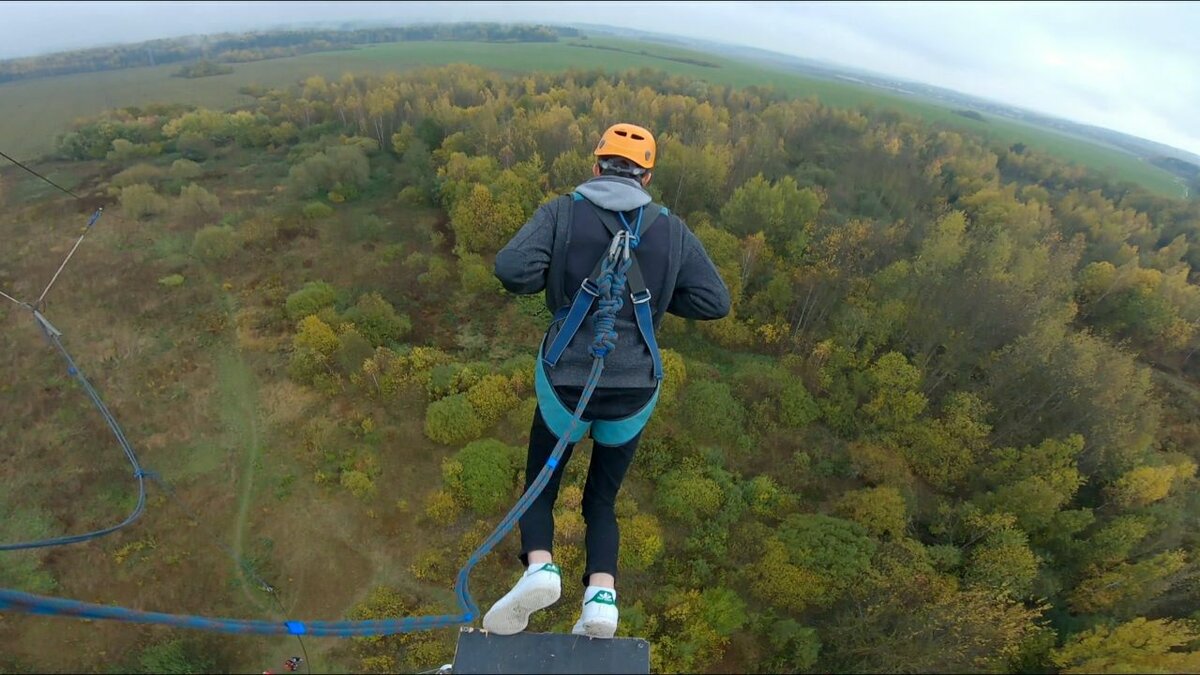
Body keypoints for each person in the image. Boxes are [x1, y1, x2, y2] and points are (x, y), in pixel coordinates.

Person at [485, 123, 731, 638]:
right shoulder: (672, 228)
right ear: (646, 176)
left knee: (541, 486)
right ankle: (601, 598)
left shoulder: (562, 211)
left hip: (566, 386)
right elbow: (714, 302)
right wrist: (656, 298)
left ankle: (540, 567)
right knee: (601, 499)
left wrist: (554, 279)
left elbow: (512, 269)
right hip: (634, 390)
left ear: (596, 166)